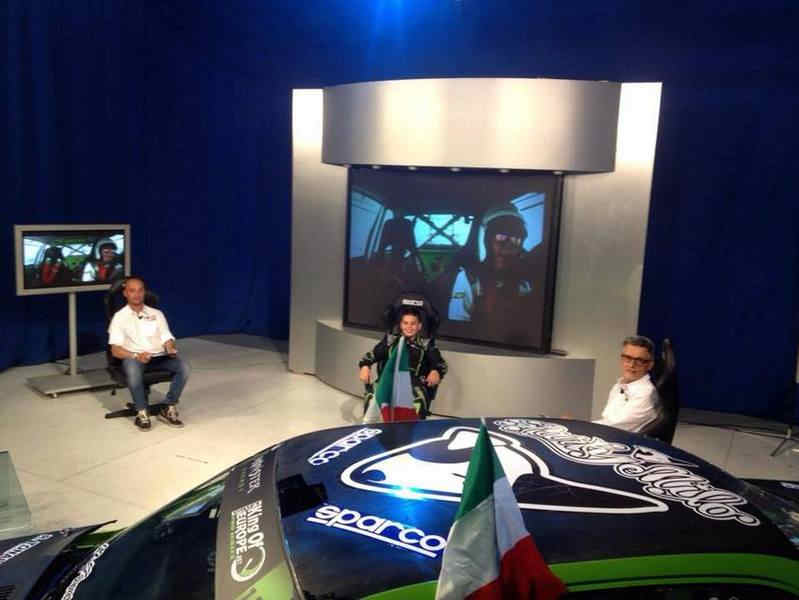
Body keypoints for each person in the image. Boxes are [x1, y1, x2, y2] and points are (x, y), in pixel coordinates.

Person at [448, 203, 543, 345]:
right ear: (487, 239)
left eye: (516, 237)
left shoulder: (525, 280)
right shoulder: (468, 278)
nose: (510, 243)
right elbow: (458, 327)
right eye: (502, 235)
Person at [108, 276, 191, 430]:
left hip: (159, 357)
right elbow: (115, 350)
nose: (137, 294)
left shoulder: (157, 314)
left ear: (144, 292)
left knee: (184, 368)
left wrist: (170, 348)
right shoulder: (119, 318)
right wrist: (136, 356)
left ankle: (168, 406)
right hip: (135, 357)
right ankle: (142, 412)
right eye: (132, 291)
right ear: (125, 293)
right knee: (133, 370)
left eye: (140, 290)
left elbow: (167, 337)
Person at [358, 307, 448, 418]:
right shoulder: (391, 341)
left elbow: (441, 364)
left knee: (417, 402)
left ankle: (410, 429)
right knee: (372, 397)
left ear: (419, 326)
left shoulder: (425, 345)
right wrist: (365, 366)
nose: (409, 327)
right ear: (400, 325)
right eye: (405, 323)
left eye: (413, 324)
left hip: (413, 383)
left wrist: (436, 371)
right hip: (388, 380)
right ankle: (370, 427)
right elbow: (370, 356)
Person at [594, 335, 658, 433]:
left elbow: (614, 426)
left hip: (620, 439)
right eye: (628, 358)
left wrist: (578, 425)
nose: (632, 365)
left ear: (650, 365)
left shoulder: (646, 393)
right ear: (621, 359)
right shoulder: (620, 385)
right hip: (608, 434)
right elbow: (607, 420)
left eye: (639, 361)